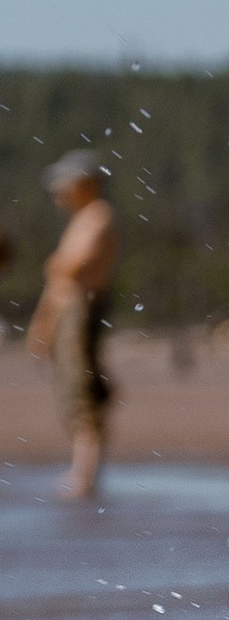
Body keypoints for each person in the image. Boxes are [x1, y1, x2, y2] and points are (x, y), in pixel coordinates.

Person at [28, 151, 120, 501]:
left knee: (82, 395)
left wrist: (56, 265)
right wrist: (42, 328)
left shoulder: (98, 216)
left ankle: (86, 475)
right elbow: (58, 285)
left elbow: (71, 270)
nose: (57, 192)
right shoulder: (82, 219)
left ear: (85, 183)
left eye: (63, 183)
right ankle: (80, 470)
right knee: (72, 395)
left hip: (81, 314)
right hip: (68, 316)